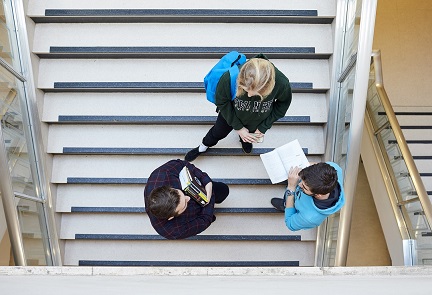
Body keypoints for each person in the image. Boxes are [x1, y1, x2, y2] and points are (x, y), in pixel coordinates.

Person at [185, 54, 292, 161]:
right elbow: (222, 102)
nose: (249, 95)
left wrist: (264, 127)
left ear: (268, 87)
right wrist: (238, 127)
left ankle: (245, 141)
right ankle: (203, 146)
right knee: (218, 132)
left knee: (249, 136)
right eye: (245, 90)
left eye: (256, 94)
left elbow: (283, 104)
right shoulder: (229, 77)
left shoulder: (281, 83)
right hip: (230, 113)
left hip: (258, 118)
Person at [144, 159, 229, 239]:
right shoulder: (172, 231)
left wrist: (206, 181)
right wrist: (208, 203)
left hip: (200, 187)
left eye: (180, 192)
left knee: (223, 190)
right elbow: (204, 221)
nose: (188, 198)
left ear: (169, 188)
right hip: (197, 214)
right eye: (184, 205)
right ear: (171, 217)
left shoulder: (162, 174)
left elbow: (182, 164)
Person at [270, 162, 345, 231]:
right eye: (302, 181)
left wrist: (291, 187)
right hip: (298, 195)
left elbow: (290, 223)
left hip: (295, 202)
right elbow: (314, 166)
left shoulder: (310, 218)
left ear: (318, 195)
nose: (299, 184)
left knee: (287, 204)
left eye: (304, 187)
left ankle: (284, 205)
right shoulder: (333, 169)